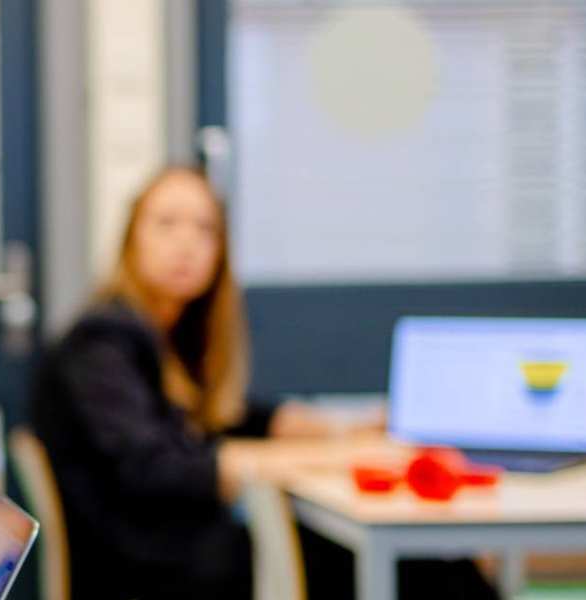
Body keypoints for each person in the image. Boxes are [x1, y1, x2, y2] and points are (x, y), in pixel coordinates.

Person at [31, 167, 493, 599]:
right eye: (166, 224)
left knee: (422, 565)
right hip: (148, 570)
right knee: (428, 570)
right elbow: (161, 467)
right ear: (131, 240)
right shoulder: (103, 343)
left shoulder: (166, 338)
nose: (186, 243)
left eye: (205, 229)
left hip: (173, 552)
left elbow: (235, 418)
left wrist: (345, 428)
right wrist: (339, 457)